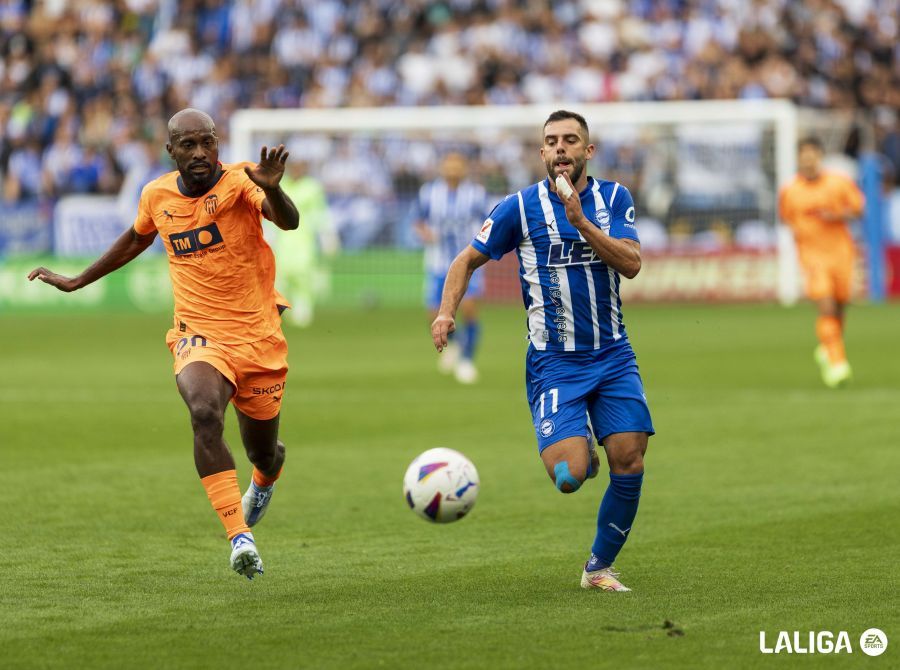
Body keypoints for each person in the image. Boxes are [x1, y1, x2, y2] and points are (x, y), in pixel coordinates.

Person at [27, 108, 300, 580]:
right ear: (170, 150)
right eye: (189, 145)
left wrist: (273, 187)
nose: (200, 154)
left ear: (217, 144)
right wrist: (77, 282)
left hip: (257, 336)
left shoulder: (241, 182)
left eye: (207, 143)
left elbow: (287, 222)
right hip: (198, 333)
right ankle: (240, 538)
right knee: (203, 411)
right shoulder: (156, 195)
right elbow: (136, 239)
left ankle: (264, 479)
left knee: (264, 451)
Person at [431, 110, 654, 591]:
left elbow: (632, 263)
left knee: (631, 457)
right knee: (570, 476)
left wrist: (582, 224)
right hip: (554, 363)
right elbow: (466, 259)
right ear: (541, 152)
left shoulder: (615, 198)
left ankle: (597, 569)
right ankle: (584, 454)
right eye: (551, 141)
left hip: (612, 354)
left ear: (587, 151)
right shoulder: (518, 206)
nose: (560, 148)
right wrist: (447, 311)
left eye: (570, 140)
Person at [779, 137, 865, 388]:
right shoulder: (790, 190)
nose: (808, 161)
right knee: (826, 305)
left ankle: (827, 345)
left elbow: (859, 209)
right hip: (812, 256)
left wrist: (837, 214)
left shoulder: (838, 183)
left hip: (841, 252)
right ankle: (838, 363)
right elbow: (786, 218)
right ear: (798, 159)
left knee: (840, 305)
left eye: (812, 156)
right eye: (803, 157)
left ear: (820, 157)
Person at [414, 152, 487, 384]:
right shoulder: (429, 193)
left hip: (469, 263)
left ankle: (467, 360)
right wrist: (425, 233)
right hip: (437, 262)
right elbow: (417, 220)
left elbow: (489, 221)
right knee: (433, 314)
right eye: (449, 165)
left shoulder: (476, 194)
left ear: (464, 169)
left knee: (468, 308)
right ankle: (454, 345)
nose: (453, 169)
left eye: (458, 165)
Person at [273, 158, 339, 327]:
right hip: (282, 240)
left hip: (304, 239)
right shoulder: (280, 185)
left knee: (303, 274)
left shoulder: (312, 188)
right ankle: (279, 309)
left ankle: (304, 308)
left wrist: (327, 236)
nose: (297, 169)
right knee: (280, 275)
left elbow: (320, 214)